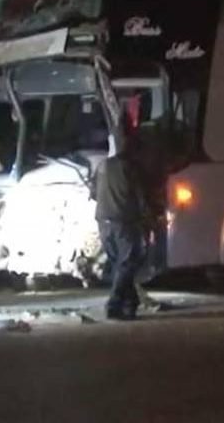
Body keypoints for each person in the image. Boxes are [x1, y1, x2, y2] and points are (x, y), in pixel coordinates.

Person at [95, 132, 150, 321]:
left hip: (103, 222)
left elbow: (93, 192)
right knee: (128, 263)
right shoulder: (130, 168)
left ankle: (130, 305)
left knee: (120, 265)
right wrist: (147, 219)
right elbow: (141, 197)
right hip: (122, 222)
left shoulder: (102, 166)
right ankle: (113, 304)